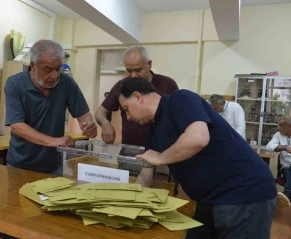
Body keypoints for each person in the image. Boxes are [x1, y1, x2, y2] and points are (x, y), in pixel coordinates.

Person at [118, 77, 277, 239]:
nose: (128, 117)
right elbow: (146, 173)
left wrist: (160, 157)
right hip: (208, 200)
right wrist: (128, 205)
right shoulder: (153, 132)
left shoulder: (180, 99)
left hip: (243, 192)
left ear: (138, 97)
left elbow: (198, 138)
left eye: (126, 109)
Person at [4, 39, 97, 175]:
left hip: (53, 166)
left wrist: (88, 125)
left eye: (58, 69)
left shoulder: (67, 83)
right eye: (47, 69)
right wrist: (54, 141)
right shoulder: (15, 84)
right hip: (19, 165)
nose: (54, 75)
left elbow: (83, 115)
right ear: (32, 65)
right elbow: (17, 125)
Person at [95, 45, 178, 176]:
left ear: (149, 64)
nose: (133, 76)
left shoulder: (168, 84)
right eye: (129, 71)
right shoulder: (121, 86)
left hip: (162, 155)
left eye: (138, 70)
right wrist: (105, 124)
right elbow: (101, 112)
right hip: (131, 154)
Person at [266, 115, 291, 207]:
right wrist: (285, 147)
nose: (278, 128)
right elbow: (269, 147)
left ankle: (288, 194)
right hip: (286, 168)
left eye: (281, 125)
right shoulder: (278, 135)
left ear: (290, 126)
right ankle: (288, 194)